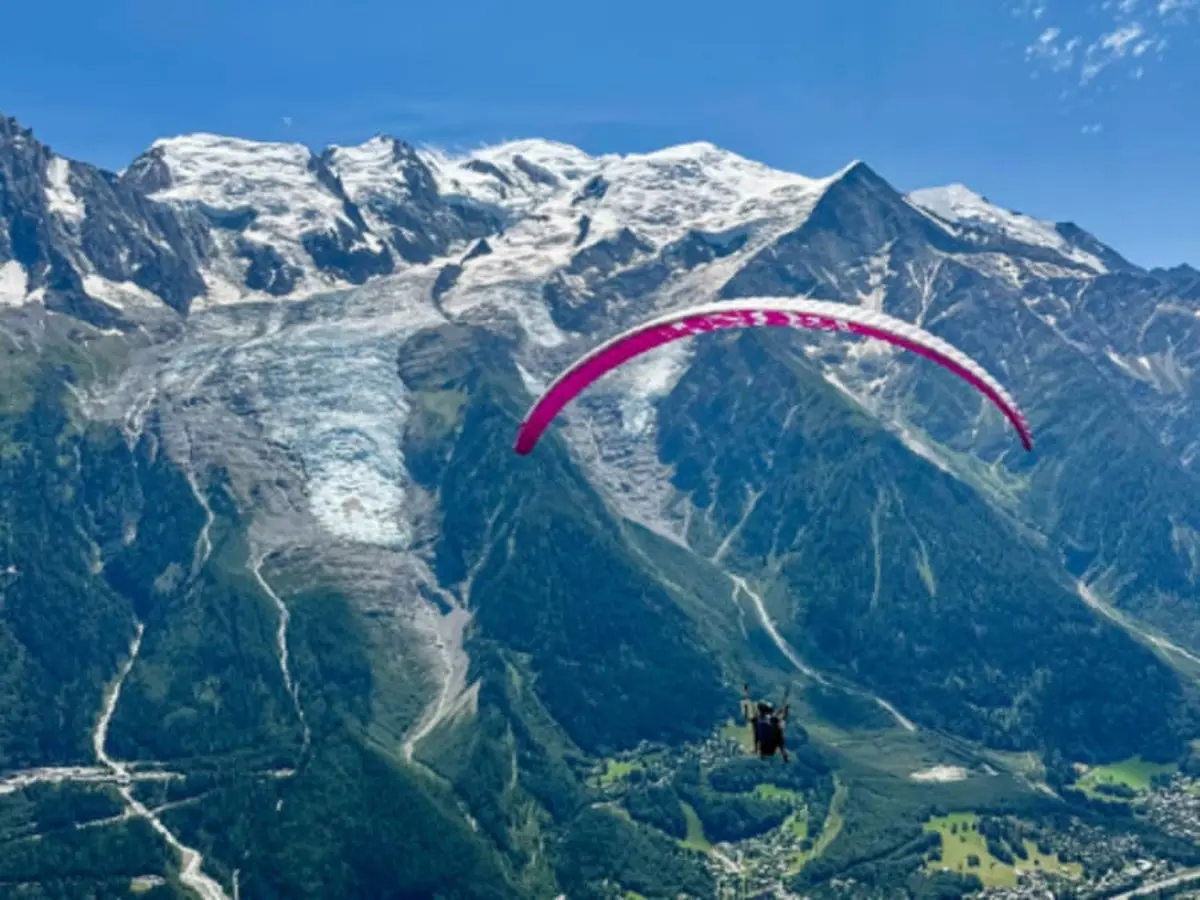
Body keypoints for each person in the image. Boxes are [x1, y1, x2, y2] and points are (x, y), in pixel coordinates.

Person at [742, 684, 789, 762]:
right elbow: (783, 716)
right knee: (778, 727)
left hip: (765, 748)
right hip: (769, 747)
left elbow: (747, 717)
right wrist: (786, 709)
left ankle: (758, 750)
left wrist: (746, 706)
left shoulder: (759, 720)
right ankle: (783, 752)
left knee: (775, 727)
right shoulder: (771, 720)